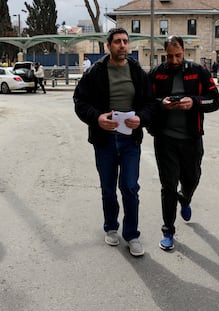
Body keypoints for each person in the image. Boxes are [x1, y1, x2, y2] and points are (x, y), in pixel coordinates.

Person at [73, 28, 153, 257]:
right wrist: (97, 118)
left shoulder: (136, 70)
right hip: (104, 140)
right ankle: (111, 227)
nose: (122, 45)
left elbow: (150, 103)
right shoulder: (96, 72)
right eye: (117, 42)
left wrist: (141, 118)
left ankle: (132, 235)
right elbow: (79, 101)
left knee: (129, 187)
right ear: (108, 46)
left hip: (130, 141)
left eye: (125, 41)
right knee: (108, 188)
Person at [148, 35, 219, 251]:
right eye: (170, 56)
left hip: (192, 139)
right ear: (164, 53)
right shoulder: (157, 73)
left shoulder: (198, 71)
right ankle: (168, 230)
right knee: (168, 186)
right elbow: (146, 101)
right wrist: (162, 103)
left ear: (184, 52)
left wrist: (195, 102)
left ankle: (185, 198)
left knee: (192, 178)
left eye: (178, 55)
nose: (174, 60)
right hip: (165, 139)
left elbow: (214, 100)